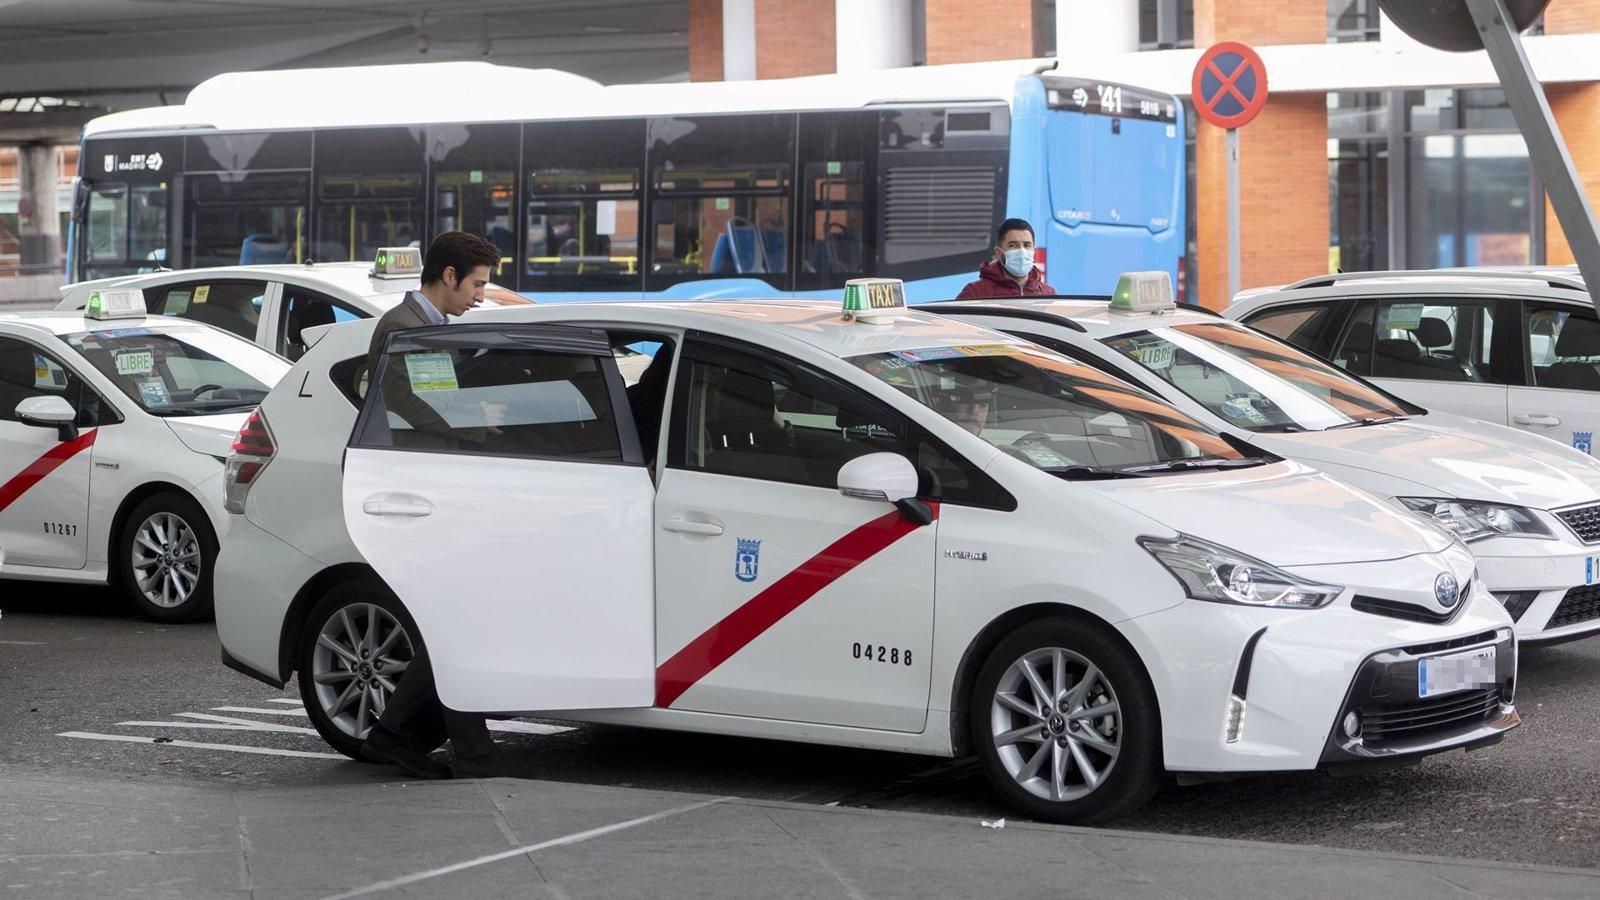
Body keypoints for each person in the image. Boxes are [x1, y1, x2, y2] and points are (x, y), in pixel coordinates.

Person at [359, 230, 504, 780]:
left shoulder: (432, 330)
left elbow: (438, 397)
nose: (481, 296)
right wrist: (479, 433)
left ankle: (404, 735)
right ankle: (453, 746)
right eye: (477, 284)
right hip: (420, 498)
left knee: (446, 623)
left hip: (443, 490)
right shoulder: (400, 330)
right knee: (449, 622)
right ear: (448, 277)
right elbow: (411, 406)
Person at [955, 218, 1056, 298]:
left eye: (1027, 245)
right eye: (1013, 245)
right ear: (999, 253)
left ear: (1033, 250)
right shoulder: (976, 293)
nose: (1022, 251)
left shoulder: (1048, 294)